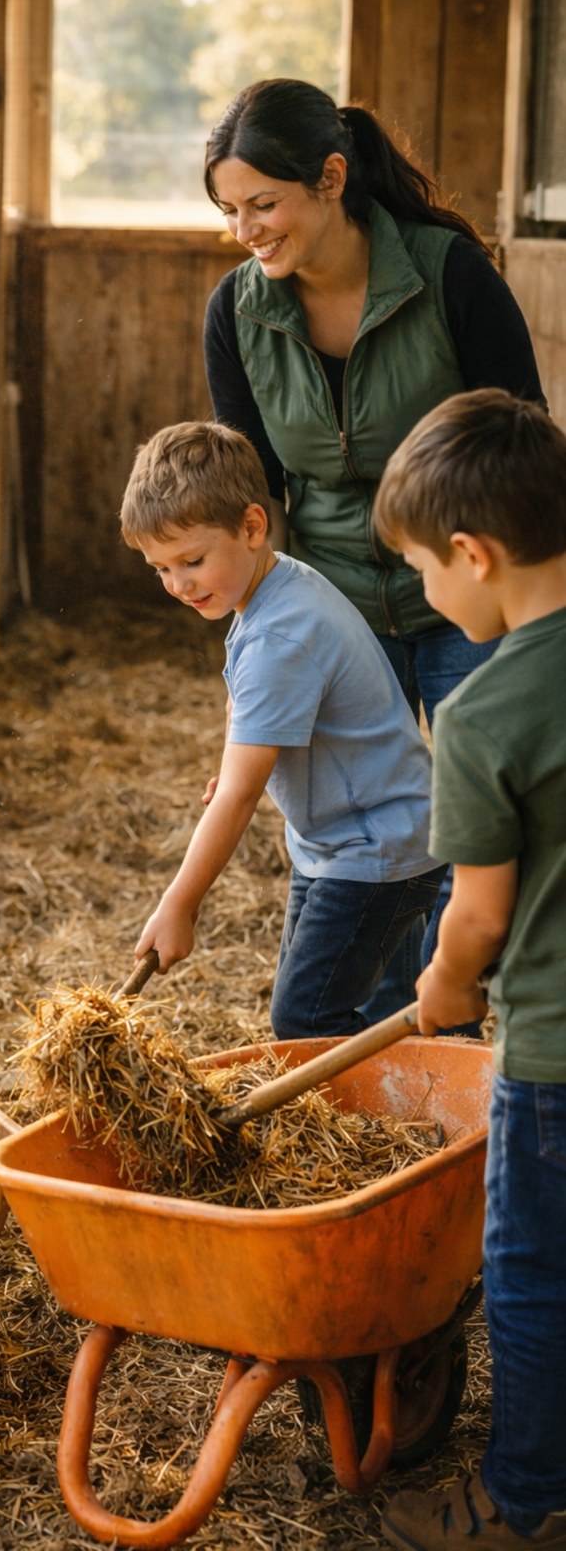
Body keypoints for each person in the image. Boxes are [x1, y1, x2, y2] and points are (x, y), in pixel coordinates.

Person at [201, 77, 546, 1015]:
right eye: (231, 210)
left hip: (463, 590)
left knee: (490, 816)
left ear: (332, 179)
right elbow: (252, 499)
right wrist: (255, 668)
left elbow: (522, 439)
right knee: (371, 840)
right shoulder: (237, 311)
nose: (247, 231)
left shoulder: (447, 276)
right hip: (335, 607)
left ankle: (490, 1015)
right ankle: (396, 1043)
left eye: (264, 204)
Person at [373, 390, 566, 1551]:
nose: (424, 601)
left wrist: (443, 989)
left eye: (419, 574)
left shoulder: (486, 707)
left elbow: (479, 916)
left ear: (472, 553)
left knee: (533, 1277)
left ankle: (528, 1499)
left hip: (551, 1054)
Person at [121, 419, 444, 1038]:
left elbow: (243, 793)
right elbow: (250, 714)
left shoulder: (280, 635)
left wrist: (179, 904)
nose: (177, 586)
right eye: (159, 568)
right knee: (324, 1007)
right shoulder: (277, 586)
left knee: (306, 1017)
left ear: (251, 526)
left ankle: (366, 1125)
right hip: (338, 842)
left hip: (375, 849)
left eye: (191, 561)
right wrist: (236, 765)